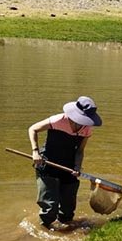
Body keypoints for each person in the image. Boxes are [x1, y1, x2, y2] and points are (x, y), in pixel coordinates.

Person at [28, 96, 103, 229]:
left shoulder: (86, 130)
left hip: (68, 167)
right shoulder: (58, 120)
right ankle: (44, 230)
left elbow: (80, 151)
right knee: (50, 208)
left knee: (68, 211)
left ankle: (66, 229)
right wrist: (35, 152)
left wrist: (77, 166)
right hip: (47, 164)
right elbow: (33, 129)